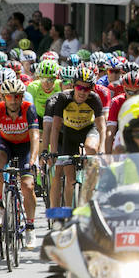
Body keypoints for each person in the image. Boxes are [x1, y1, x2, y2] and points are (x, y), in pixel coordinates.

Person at [0, 78, 41, 248]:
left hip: (25, 146)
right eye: (9, 97)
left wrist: (33, 161)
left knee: (27, 186)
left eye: (17, 96)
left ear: (22, 96)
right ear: (3, 97)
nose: (13, 100)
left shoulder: (29, 109)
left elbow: (35, 136)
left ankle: (30, 227)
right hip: (5, 143)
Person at [48, 67, 105, 209]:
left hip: (88, 130)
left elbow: (102, 127)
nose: (82, 92)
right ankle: (69, 214)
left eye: (87, 89)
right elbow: (55, 128)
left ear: (91, 89)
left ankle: (90, 188)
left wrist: (102, 150)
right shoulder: (63, 98)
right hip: (69, 133)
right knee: (70, 180)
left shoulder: (94, 99)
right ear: (74, 86)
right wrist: (54, 152)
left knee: (91, 148)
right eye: (79, 87)